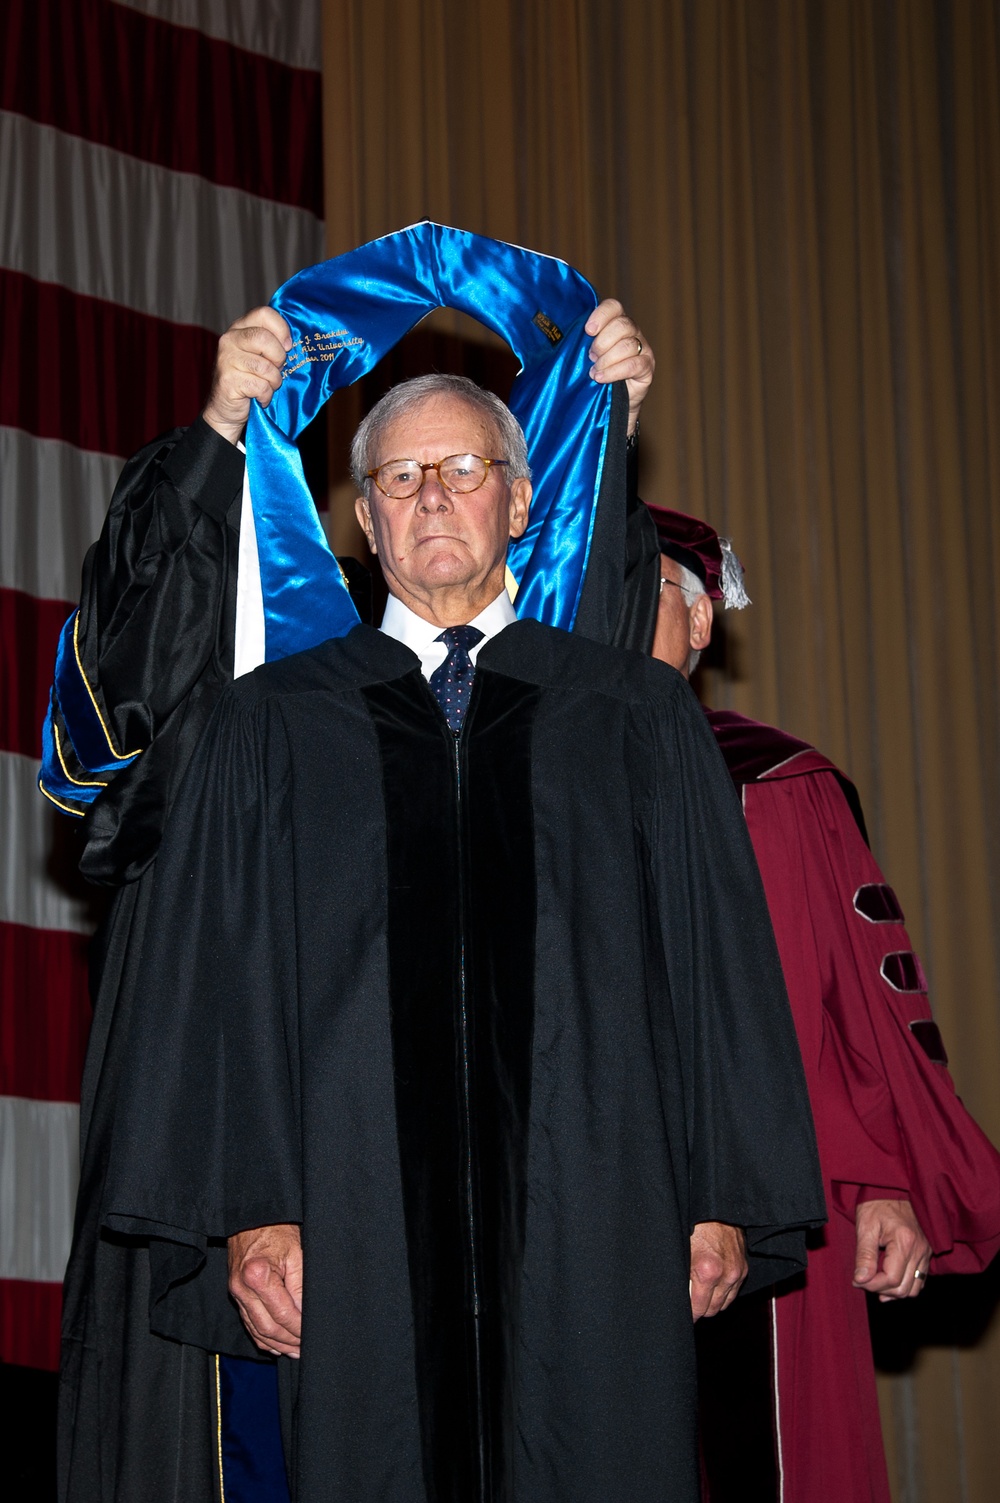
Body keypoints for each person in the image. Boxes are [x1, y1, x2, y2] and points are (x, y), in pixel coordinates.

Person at [40, 223, 734, 1503]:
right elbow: (114, 769)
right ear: (354, 514)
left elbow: (685, 952)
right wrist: (217, 438)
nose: (429, 497)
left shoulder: (614, 711)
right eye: (398, 477)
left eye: (464, 469)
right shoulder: (271, 706)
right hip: (325, 1216)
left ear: (519, 498)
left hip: (573, 1221)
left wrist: (600, 415)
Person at [642, 504, 1000, 1503]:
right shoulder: (518, 784)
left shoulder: (773, 784)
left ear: (705, 619)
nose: (622, 617)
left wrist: (877, 1178)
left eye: (651, 591)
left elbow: (854, 1005)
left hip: (773, 1200)